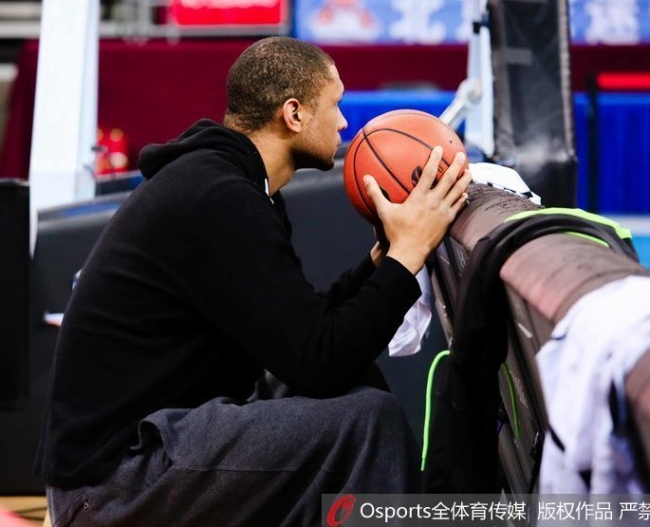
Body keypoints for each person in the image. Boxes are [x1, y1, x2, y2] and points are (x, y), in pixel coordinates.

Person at [36, 36, 471, 526]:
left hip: (139, 456)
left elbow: (302, 336)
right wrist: (407, 256)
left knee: (349, 389)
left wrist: (382, 262)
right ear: (294, 113)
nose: (343, 123)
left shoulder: (230, 184)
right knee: (369, 420)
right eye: (335, 105)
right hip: (114, 482)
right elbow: (318, 360)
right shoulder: (219, 198)